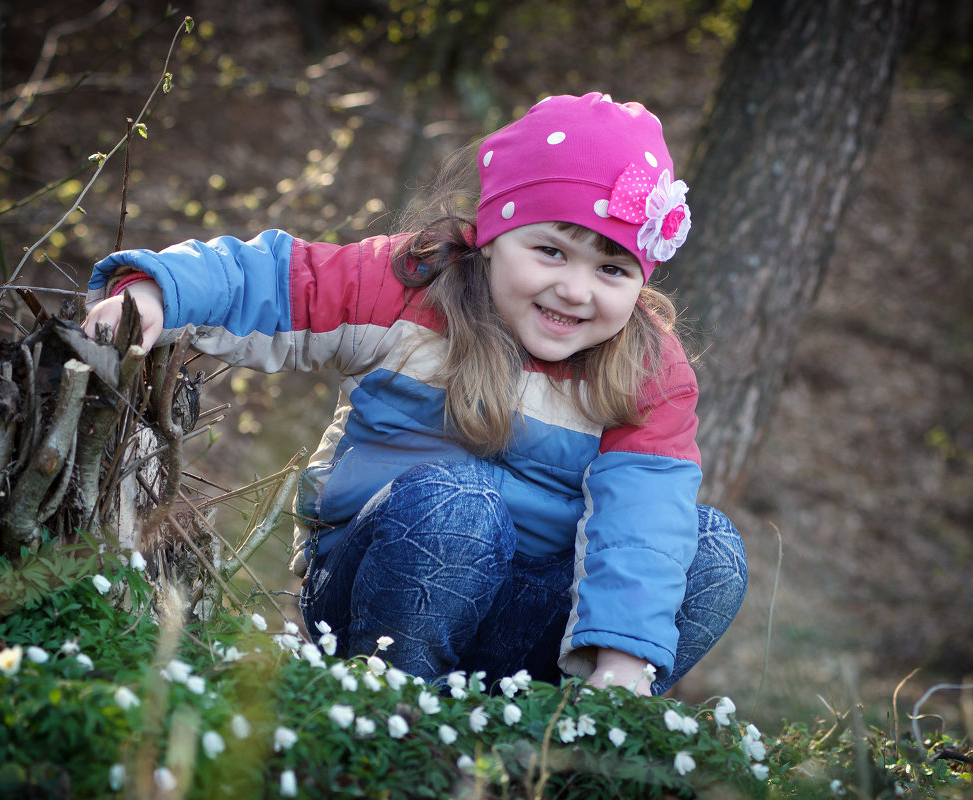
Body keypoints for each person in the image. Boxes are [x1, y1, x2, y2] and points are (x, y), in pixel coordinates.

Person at [83, 92, 747, 696]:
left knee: (708, 547)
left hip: (528, 624)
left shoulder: (646, 367)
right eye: (550, 251)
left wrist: (623, 656)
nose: (576, 289)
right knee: (460, 501)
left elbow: (645, 518)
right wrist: (155, 291)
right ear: (491, 235)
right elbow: (276, 277)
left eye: (611, 268)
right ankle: (390, 715)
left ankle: (566, 731)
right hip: (379, 589)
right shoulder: (410, 288)